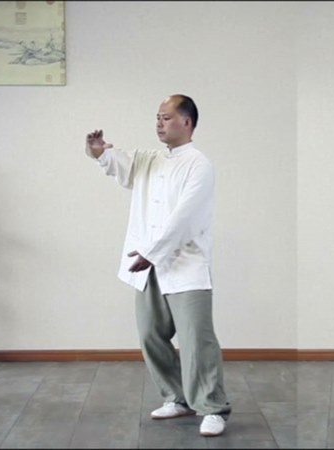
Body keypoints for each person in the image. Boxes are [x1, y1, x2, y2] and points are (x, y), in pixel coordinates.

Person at [85, 95, 231, 437]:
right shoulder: (149, 159)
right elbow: (120, 164)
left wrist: (155, 252)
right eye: (157, 117)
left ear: (187, 122)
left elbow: (187, 216)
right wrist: (100, 152)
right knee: (151, 335)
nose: (159, 123)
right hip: (147, 265)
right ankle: (176, 397)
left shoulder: (199, 165)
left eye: (166, 118)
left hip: (185, 264)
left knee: (196, 341)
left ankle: (212, 408)